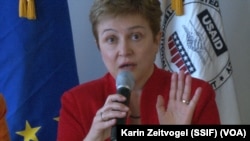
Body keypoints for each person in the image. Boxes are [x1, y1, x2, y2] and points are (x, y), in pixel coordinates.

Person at [57, 0, 220, 140]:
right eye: (111, 39)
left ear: (156, 40)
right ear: (99, 46)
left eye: (135, 36)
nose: (124, 50)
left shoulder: (195, 95)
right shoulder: (76, 102)